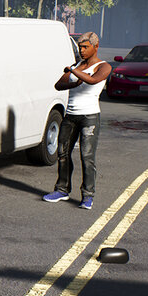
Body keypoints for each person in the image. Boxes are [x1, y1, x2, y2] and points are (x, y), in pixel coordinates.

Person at [43, 31, 110, 210]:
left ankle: (88, 195)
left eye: (85, 47)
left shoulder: (103, 66)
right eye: (80, 47)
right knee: (62, 154)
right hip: (70, 116)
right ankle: (62, 189)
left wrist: (73, 71)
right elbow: (58, 85)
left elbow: (93, 80)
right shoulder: (77, 65)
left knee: (87, 157)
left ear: (96, 47)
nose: (81, 50)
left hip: (90, 117)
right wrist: (73, 81)